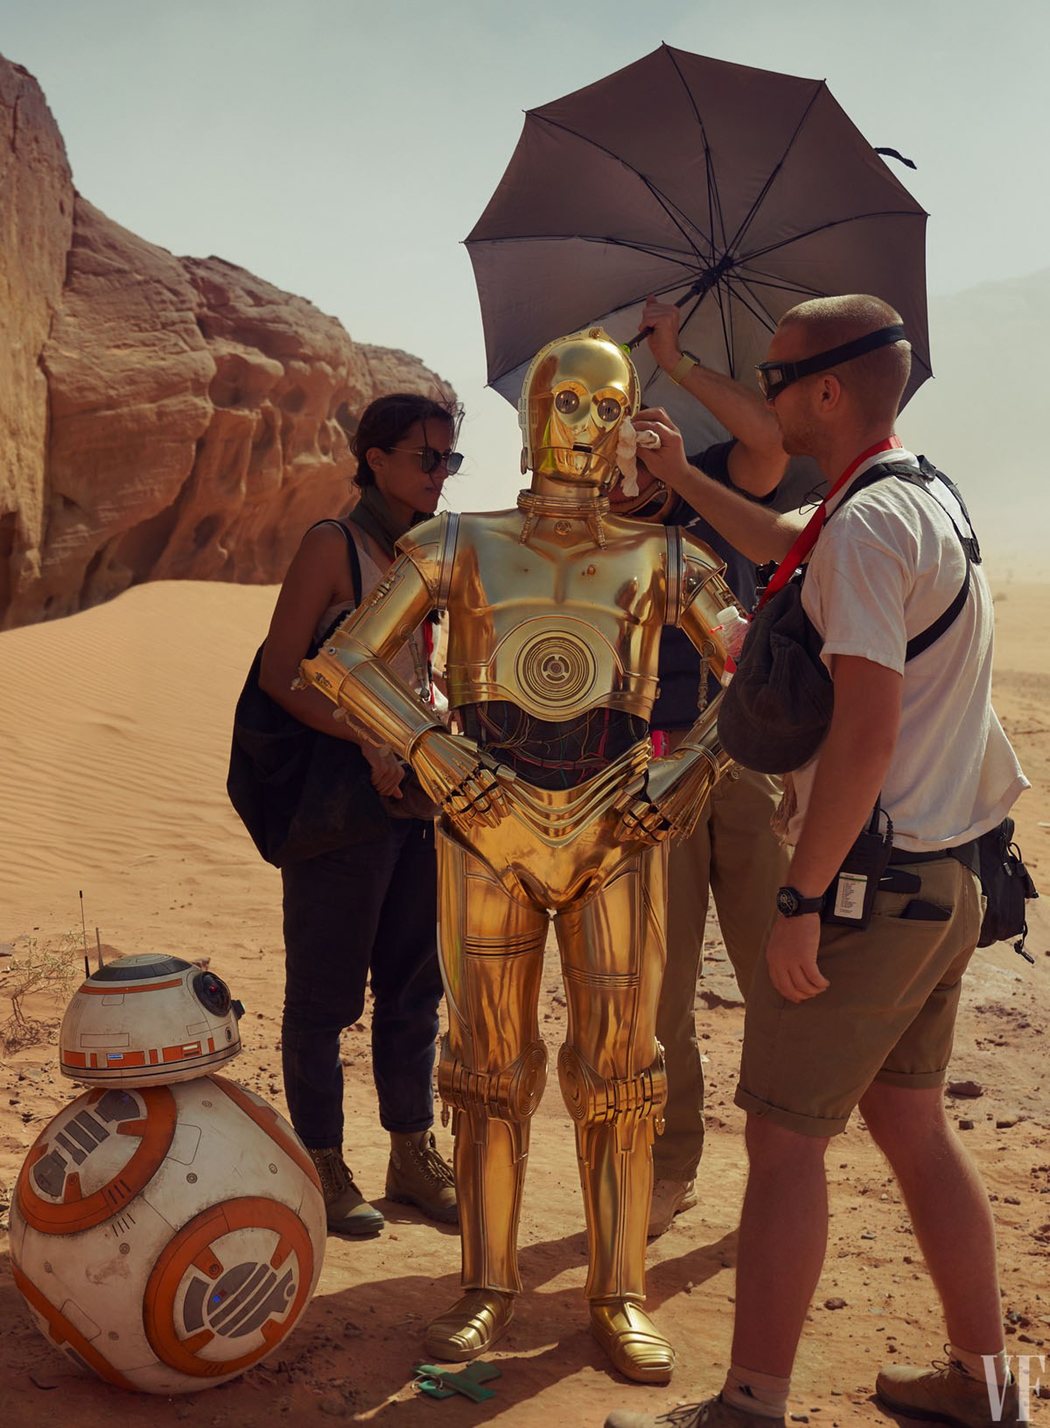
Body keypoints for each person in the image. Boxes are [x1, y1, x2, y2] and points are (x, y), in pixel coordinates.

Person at [604, 295, 1028, 1428]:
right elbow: (782, 547)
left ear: (830, 390)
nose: (771, 397)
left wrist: (800, 897)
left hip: (867, 888)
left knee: (784, 1145)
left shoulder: (869, 527)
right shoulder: (915, 497)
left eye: (782, 378)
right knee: (912, 1130)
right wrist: (683, 480)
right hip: (944, 882)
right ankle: (992, 1393)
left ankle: (748, 1405)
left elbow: (866, 732)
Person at [299, 328, 739, 1384]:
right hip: (485, 827)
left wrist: (685, 779)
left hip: (615, 829)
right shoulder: (456, 543)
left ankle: (618, 1289)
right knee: (487, 1070)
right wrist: (436, 752)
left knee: (623, 1072)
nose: (587, 429)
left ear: (635, 426)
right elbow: (344, 659)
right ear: (536, 415)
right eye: (570, 405)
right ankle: (487, 1283)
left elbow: (758, 677)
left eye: (609, 408)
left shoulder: (667, 558)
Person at [258, 392, 461, 1237]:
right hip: (341, 809)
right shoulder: (331, 546)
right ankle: (321, 1161)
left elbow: (415, 671)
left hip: (416, 803)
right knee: (325, 996)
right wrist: (370, 742)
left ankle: (410, 1155)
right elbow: (282, 676)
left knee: (416, 991)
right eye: (426, 458)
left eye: (449, 461)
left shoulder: (420, 554)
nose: (439, 475)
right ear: (374, 458)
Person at [608, 299, 790, 1237]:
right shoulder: (589, 531)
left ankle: (781, 1174)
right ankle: (673, 1166)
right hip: (646, 776)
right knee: (659, 990)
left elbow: (770, 436)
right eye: (612, 446)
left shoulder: (714, 478)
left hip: (751, 765)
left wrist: (675, 366)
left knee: (777, 977)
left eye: (638, 446)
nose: (628, 466)